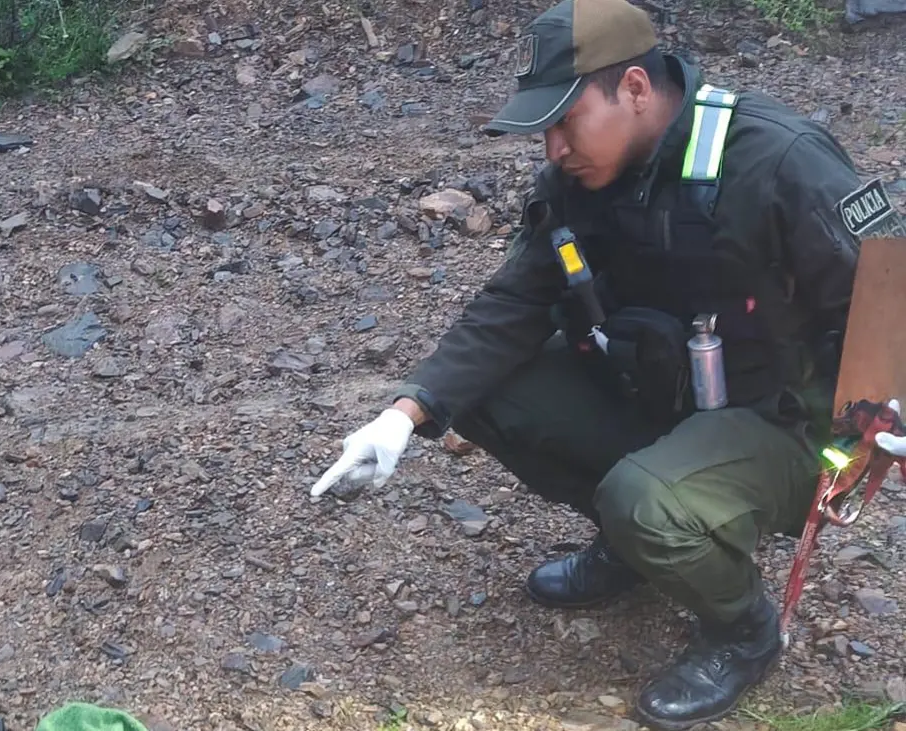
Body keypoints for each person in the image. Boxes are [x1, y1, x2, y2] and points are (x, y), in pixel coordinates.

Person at [307, 0, 905, 728]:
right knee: (485, 393)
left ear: (634, 88)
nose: (554, 148)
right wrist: (404, 416)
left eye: (566, 120)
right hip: (670, 393)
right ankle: (642, 544)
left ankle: (743, 630)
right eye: (544, 129)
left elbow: (891, 292)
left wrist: (890, 406)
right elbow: (513, 303)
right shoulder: (578, 178)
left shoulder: (778, 158)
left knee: (643, 498)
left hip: (785, 425)